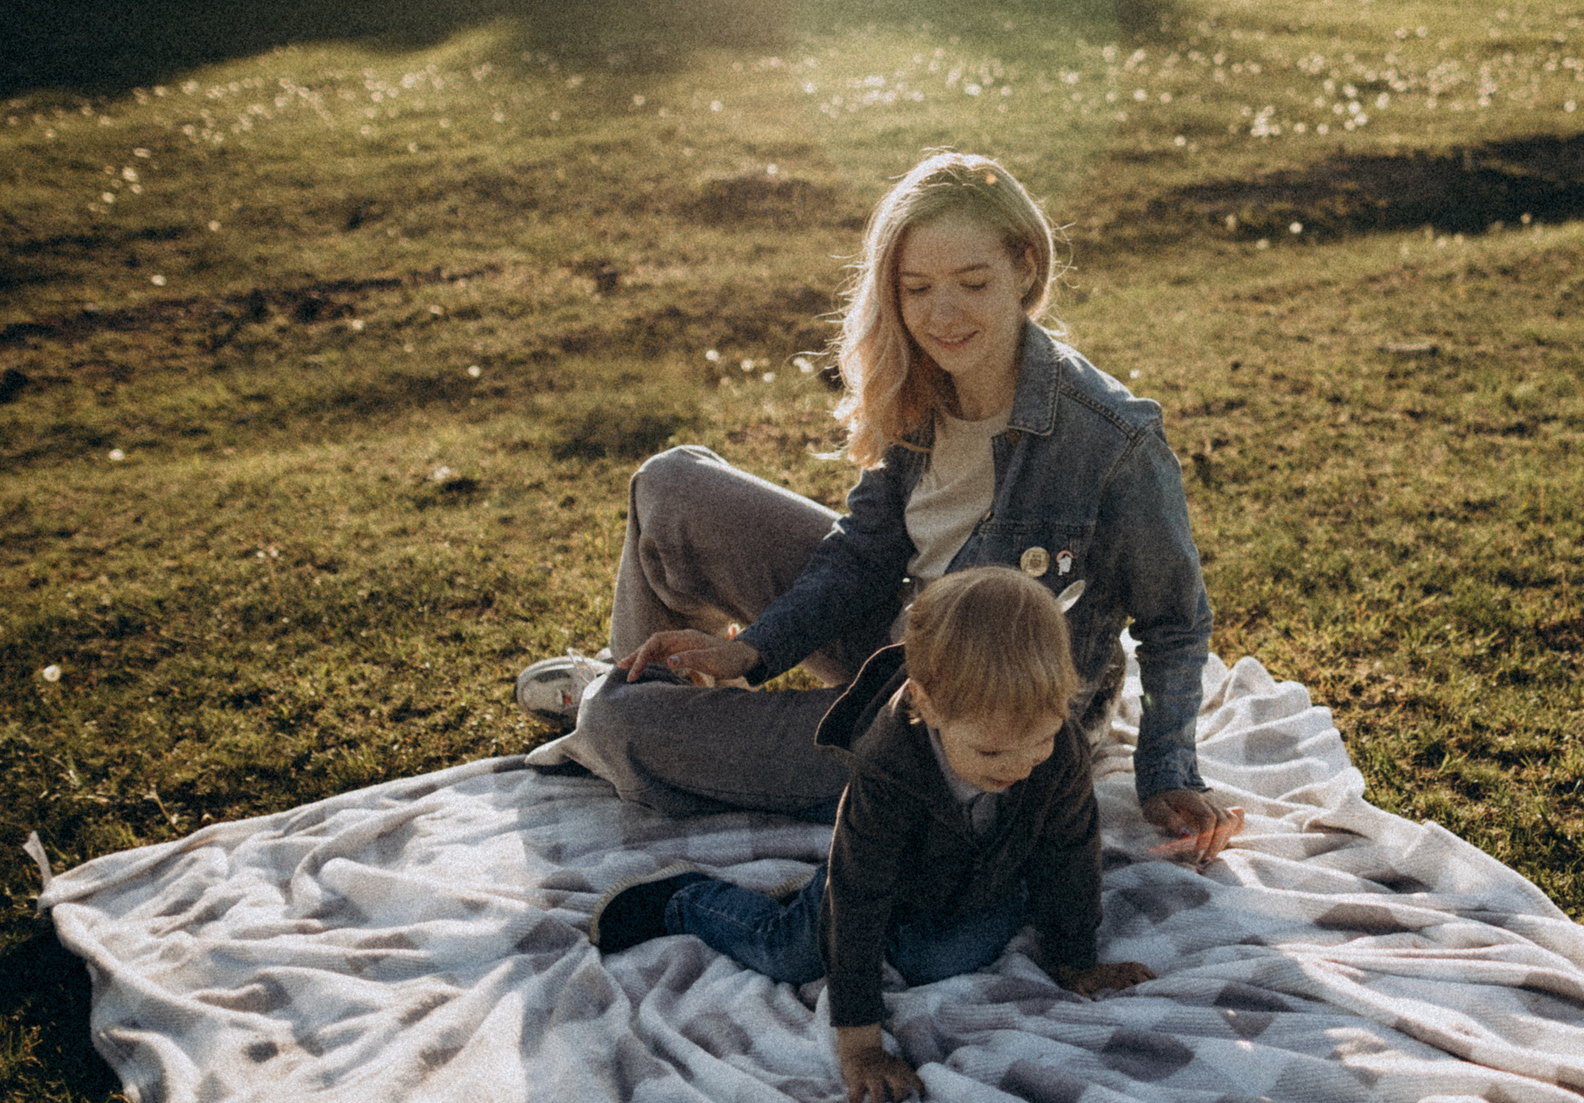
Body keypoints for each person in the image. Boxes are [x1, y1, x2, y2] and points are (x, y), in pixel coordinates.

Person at [519, 150, 1240, 863]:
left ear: (1025, 267)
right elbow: (864, 552)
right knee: (670, 483)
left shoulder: (1112, 438)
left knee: (618, 721)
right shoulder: (921, 382)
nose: (942, 313)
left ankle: (616, 712)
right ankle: (663, 688)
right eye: (917, 288)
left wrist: (1168, 773)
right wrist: (753, 647)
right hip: (900, 637)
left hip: (965, 726)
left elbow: (1176, 622)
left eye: (971, 282)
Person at [590, 568, 1151, 1103]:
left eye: (1042, 739)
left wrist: (1077, 959)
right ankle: (687, 900)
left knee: (945, 956)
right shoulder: (889, 770)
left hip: (973, 881)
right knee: (793, 951)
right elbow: (859, 898)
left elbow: (1070, 851)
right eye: (990, 752)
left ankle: (830, 903)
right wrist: (860, 1044)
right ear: (927, 704)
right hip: (877, 880)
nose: (1023, 765)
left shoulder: (1058, 749)